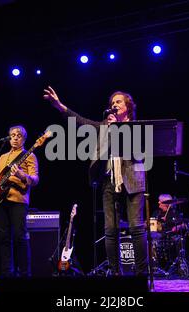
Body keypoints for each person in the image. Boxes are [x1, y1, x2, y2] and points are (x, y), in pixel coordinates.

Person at [43, 86, 148, 276]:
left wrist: (117, 127)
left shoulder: (137, 126)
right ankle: (116, 274)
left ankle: (141, 275)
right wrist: (59, 105)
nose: (114, 105)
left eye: (118, 102)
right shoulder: (103, 126)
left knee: (136, 227)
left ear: (128, 107)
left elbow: (138, 151)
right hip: (109, 180)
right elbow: (79, 122)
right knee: (110, 229)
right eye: (112, 103)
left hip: (133, 179)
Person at [0, 125, 39, 277]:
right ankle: (7, 273)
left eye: (18, 135)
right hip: (1, 201)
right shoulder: (1, 157)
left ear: (24, 139)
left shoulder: (29, 156)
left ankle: (24, 274)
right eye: (12, 135)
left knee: (20, 236)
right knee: (4, 238)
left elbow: (35, 179)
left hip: (18, 200)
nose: (14, 138)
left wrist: (21, 175)